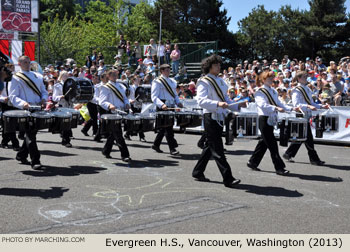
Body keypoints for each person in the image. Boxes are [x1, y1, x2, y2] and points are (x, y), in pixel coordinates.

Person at [192, 55, 243, 188]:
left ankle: (197, 172)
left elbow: (227, 100)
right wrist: (217, 103)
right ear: (209, 67)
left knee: (210, 146)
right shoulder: (204, 81)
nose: (219, 67)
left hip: (220, 117)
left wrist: (238, 105)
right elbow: (201, 101)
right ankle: (228, 178)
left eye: (219, 65)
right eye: (216, 65)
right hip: (210, 116)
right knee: (218, 149)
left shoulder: (221, 81)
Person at [247, 70, 300, 175]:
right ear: (263, 79)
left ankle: (253, 162)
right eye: (269, 77)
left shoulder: (274, 91)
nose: (271, 79)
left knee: (264, 142)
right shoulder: (259, 91)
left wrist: (292, 109)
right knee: (272, 145)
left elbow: (280, 103)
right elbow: (262, 105)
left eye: (272, 77)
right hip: (264, 119)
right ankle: (279, 168)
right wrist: (275, 108)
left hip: (271, 119)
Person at [8, 55, 48, 170]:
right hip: (25, 109)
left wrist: (44, 99)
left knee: (31, 134)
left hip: (37, 108)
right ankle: (35, 160)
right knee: (31, 135)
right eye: (24, 62)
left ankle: (21, 155)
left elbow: (44, 91)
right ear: (19, 64)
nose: (27, 64)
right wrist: (23, 104)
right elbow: (13, 96)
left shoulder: (38, 76)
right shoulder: (15, 77)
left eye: (28, 62)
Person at [283, 70, 329, 166]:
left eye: (306, 76)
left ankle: (288, 153)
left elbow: (311, 103)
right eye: (304, 77)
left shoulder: (307, 89)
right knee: (308, 138)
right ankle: (314, 159)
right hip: (301, 115)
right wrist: (308, 106)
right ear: (299, 79)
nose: (306, 78)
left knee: (302, 137)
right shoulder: (296, 90)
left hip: (307, 114)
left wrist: (321, 106)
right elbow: (296, 104)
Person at [99, 69, 131, 162]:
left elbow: (125, 98)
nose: (115, 76)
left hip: (120, 111)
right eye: (112, 74)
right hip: (112, 113)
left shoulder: (121, 86)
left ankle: (106, 150)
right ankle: (125, 154)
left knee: (113, 134)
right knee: (118, 134)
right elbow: (102, 101)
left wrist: (127, 103)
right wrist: (109, 105)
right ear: (108, 76)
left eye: (116, 74)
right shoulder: (106, 87)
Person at [151, 64, 183, 155]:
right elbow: (154, 97)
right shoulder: (157, 81)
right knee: (168, 128)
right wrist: (162, 105)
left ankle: (156, 144)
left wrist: (178, 102)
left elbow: (175, 95)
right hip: (163, 104)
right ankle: (172, 148)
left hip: (171, 104)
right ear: (161, 71)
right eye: (166, 70)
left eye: (169, 70)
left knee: (165, 127)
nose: (168, 72)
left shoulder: (173, 81)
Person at [52, 70, 73, 147]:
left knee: (68, 123)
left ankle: (66, 138)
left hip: (69, 105)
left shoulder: (71, 85)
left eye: (67, 75)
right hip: (62, 105)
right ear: (61, 76)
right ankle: (66, 140)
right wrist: (60, 97)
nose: (66, 77)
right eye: (64, 75)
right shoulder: (58, 85)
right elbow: (54, 97)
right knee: (65, 124)